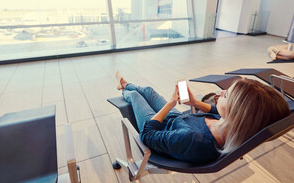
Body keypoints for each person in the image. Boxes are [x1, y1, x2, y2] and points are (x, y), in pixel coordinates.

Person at [115, 72, 290, 163]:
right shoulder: (230, 127)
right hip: (177, 121)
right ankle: (125, 84)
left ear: (236, 114)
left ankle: (125, 91)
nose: (220, 92)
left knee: (136, 97)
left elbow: (147, 135)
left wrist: (170, 103)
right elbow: (215, 110)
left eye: (226, 95)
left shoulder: (193, 140)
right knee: (149, 91)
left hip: (159, 127)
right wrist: (194, 102)